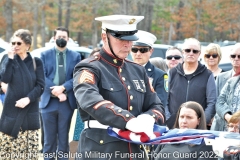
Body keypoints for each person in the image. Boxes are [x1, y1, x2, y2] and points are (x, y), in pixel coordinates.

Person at [73, 15, 165, 160]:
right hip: (100, 150)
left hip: (134, 151)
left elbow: (157, 105)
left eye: (130, 40)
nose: (127, 45)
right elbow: (90, 100)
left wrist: (149, 117)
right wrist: (129, 120)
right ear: (104, 37)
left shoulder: (138, 70)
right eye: (121, 39)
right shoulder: (90, 67)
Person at [0, 29, 45, 159]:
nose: (15, 46)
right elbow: (5, 79)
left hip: (30, 112)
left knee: (29, 155)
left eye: (18, 43)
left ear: (27, 45)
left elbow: (41, 86)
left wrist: (28, 99)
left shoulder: (37, 62)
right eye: (12, 42)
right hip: (11, 112)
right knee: (8, 155)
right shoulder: (8, 59)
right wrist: (9, 58)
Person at [40, 26, 81, 159]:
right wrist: (57, 92)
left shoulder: (75, 56)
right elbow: (41, 76)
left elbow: (77, 76)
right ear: (54, 38)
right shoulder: (44, 55)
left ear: (68, 39)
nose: (61, 39)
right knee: (48, 139)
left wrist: (63, 88)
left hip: (66, 102)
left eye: (64, 37)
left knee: (64, 138)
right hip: (48, 102)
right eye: (59, 37)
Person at [166, 38, 216, 129]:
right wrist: (169, 119)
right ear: (183, 52)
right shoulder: (171, 73)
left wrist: (202, 122)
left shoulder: (208, 75)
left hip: (197, 130)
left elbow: (212, 102)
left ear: (199, 53)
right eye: (188, 50)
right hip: (173, 128)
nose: (191, 53)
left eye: (195, 51)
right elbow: (164, 99)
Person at [130, 30, 168, 116]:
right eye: (134, 49)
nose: (138, 54)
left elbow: (160, 103)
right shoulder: (122, 71)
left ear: (151, 51)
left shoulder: (160, 76)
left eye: (143, 50)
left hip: (146, 122)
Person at [211, 43, 240, 131]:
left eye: (239, 56)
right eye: (233, 56)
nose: (236, 59)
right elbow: (217, 101)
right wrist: (228, 117)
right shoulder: (221, 77)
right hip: (221, 127)